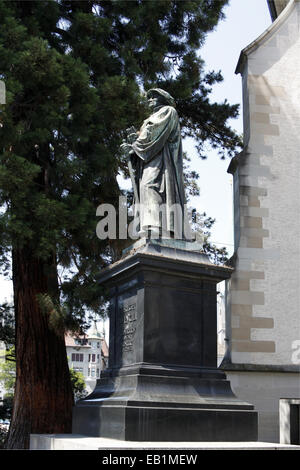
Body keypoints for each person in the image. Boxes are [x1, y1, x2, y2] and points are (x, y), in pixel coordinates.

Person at [121, 88, 190, 239]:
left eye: (154, 97)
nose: (150, 100)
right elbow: (145, 139)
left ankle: (156, 227)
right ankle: (151, 226)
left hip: (162, 162)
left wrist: (135, 146)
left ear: (164, 99)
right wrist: (133, 144)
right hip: (149, 161)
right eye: (149, 98)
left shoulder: (168, 111)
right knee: (145, 188)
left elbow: (154, 135)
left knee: (151, 186)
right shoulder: (149, 119)